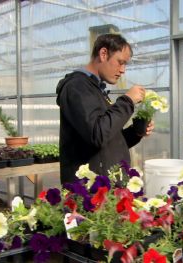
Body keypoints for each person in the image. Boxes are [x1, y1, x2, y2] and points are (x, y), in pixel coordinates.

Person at [56, 33, 154, 184]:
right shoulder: (77, 87)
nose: (123, 70)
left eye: (125, 64)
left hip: (104, 189)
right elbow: (98, 135)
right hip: (88, 192)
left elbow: (109, 141)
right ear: (103, 54)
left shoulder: (96, 89)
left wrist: (136, 131)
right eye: (120, 62)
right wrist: (127, 101)